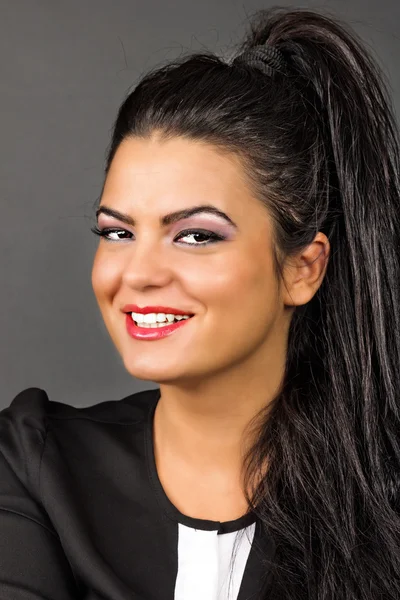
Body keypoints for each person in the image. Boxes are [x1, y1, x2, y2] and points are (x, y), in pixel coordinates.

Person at [1, 5, 400, 600]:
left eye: (196, 235)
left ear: (302, 268)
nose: (138, 273)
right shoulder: (34, 464)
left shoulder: (382, 499)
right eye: (118, 232)